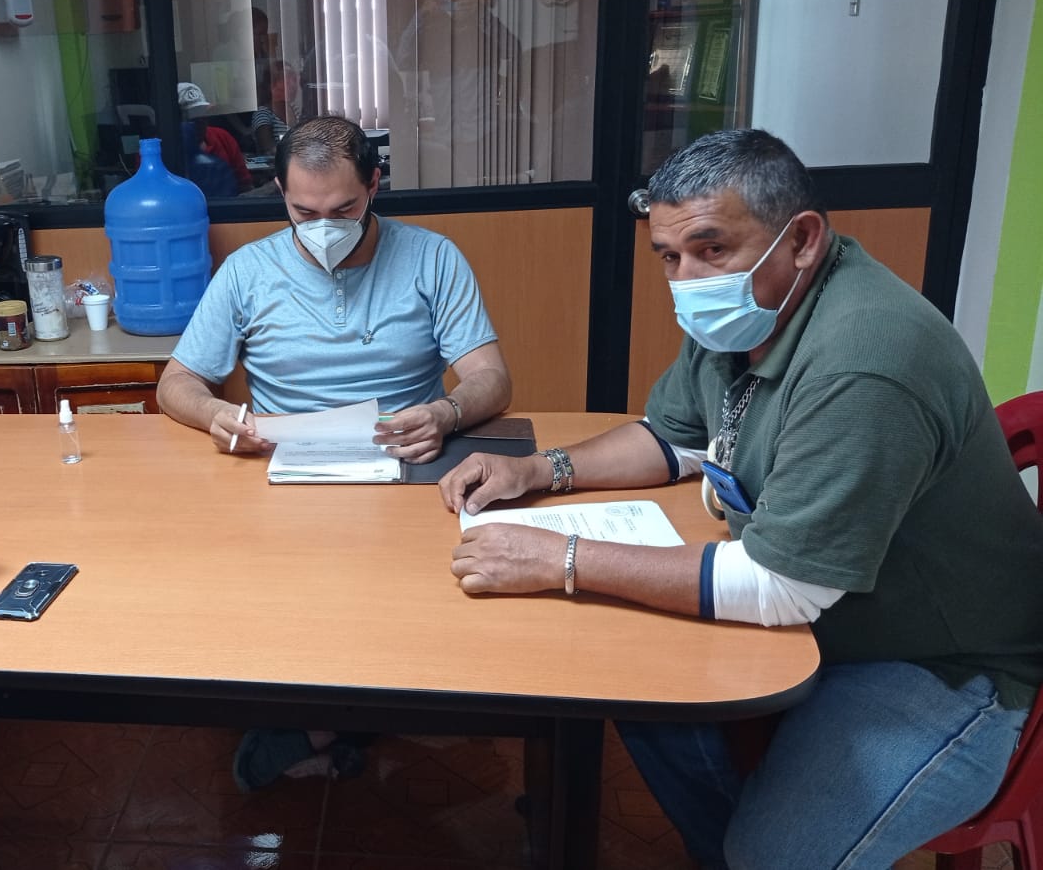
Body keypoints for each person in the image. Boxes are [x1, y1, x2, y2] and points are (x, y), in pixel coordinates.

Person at [439, 129, 1043, 869]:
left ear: (803, 240)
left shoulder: (866, 363)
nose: (688, 278)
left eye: (712, 248)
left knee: (770, 857)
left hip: (941, 662)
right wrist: (539, 471)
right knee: (633, 689)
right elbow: (675, 438)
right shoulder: (750, 311)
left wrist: (561, 558)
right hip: (834, 612)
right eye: (669, 256)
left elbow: (781, 587)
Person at [158, 113, 512, 465]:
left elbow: (492, 378)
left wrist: (446, 413)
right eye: (305, 212)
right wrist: (215, 413)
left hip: (408, 457)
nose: (325, 228)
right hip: (280, 462)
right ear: (281, 190)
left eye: (344, 209)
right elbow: (175, 383)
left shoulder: (432, 258)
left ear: (373, 185)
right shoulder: (246, 270)